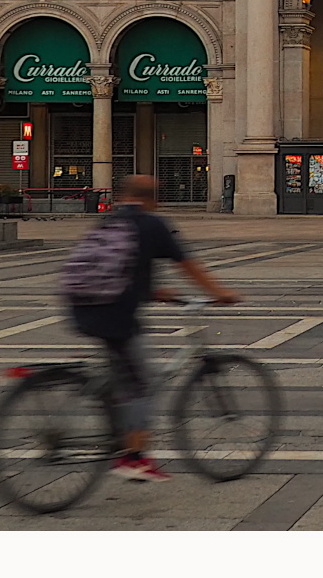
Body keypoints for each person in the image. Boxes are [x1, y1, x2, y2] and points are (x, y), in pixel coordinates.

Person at [66, 174, 238, 482]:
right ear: (153, 198)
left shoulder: (110, 222)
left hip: (81, 305)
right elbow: (188, 264)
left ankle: (118, 430)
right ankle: (134, 457)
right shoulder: (152, 224)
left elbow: (115, 267)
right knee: (142, 384)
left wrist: (154, 292)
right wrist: (219, 293)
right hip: (113, 315)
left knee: (122, 378)